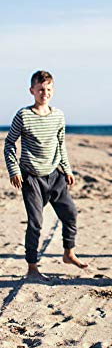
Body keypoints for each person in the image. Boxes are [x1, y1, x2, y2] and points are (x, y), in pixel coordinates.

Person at [4, 70, 88, 281]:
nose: (45, 93)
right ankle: (32, 268)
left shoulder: (58, 115)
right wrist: (14, 170)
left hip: (55, 176)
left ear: (53, 90)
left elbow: (60, 145)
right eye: (40, 89)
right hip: (31, 178)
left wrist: (67, 169)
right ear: (32, 91)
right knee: (36, 223)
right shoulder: (23, 116)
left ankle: (69, 253)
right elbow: (9, 143)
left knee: (70, 214)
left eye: (48, 89)